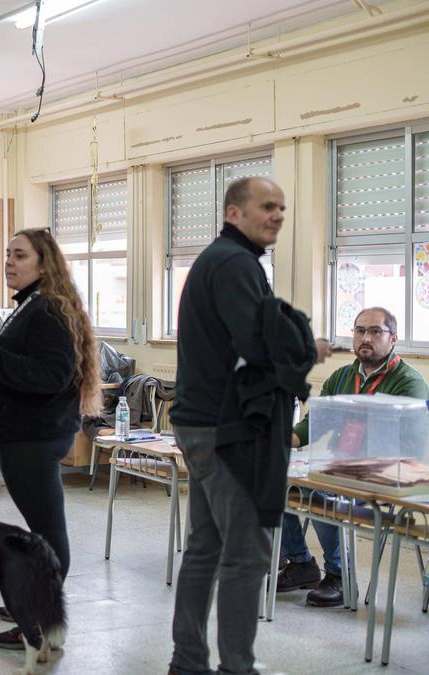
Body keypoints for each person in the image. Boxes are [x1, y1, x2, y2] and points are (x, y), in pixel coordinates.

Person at [167, 176, 330, 675]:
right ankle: (237, 667)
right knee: (246, 556)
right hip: (226, 431)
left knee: (205, 548)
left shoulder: (221, 260)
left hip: (200, 424)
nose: (278, 215)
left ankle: (188, 660)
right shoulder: (235, 263)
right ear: (234, 213)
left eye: (282, 207)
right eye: (266, 206)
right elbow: (257, 345)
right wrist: (307, 348)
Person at [0, 228, 102, 650]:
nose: (10, 262)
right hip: (25, 435)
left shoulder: (47, 311)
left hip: (37, 437)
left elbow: (52, 375)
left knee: (47, 533)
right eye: (7, 254)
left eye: (20, 256)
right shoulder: (32, 306)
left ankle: (42, 620)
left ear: (44, 264)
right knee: (42, 528)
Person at [277, 307, 428, 607]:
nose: (365, 338)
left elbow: (410, 444)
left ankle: (340, 577)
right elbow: (315, 420)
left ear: (393, 339)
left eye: (375, 331)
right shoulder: (342, 376)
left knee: (323, 491)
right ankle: (301, 564)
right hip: (337, 468)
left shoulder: (408, 382)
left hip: (384, 476)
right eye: (360, 331)